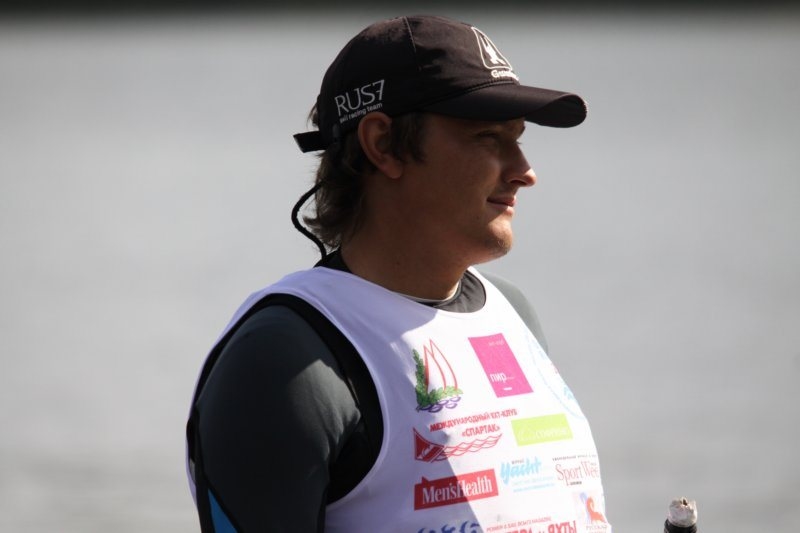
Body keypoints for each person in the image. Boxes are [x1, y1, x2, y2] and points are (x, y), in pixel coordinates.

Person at [186, 14, 612, 533]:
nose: (525, 171)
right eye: (488, 137)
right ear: (383, 144)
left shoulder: (513, 312)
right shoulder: (282, 360)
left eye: (519, 139)